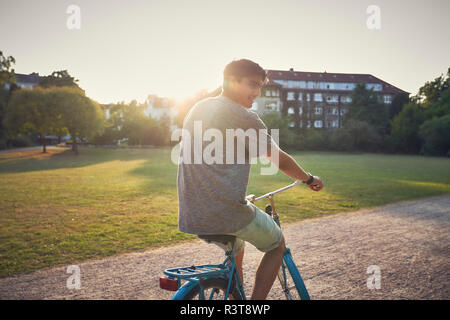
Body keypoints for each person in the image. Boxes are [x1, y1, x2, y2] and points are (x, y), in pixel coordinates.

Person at [177, 58, 323, 300]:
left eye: (260, 87)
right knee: (277, 246)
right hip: (225, 211)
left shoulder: (198, 108)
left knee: (238, 246)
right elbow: (277, 158)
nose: (256, 93)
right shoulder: (243, 116)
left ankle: (236, 296)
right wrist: (308, 179)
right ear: (230, 81)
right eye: (252, 85)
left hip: (192, 212)